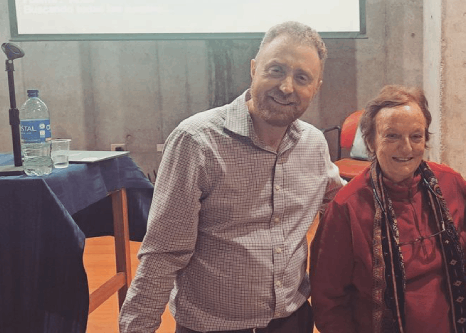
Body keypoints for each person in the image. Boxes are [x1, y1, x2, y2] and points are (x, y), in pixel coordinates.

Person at [118, 21, 344, 333]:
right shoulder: (196, 141)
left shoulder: (313, 144)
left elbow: (340, 198)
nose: (287, 87)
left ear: (316, 87)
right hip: (212, 327)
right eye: (276, 70)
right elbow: (164, 251)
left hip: (293, 322)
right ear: (254, 68)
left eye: (302, 77)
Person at [309, 85, 466, 333]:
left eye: (416, 136)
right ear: (370, 140)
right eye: (392, 136)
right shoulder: (346, 208)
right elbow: (329, 301)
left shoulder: (450, 184)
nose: (407, 148)